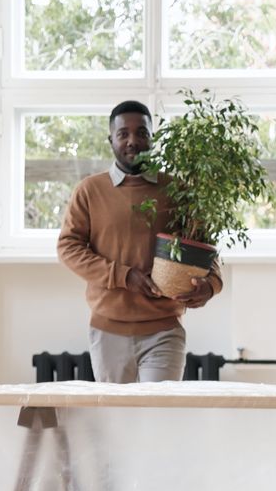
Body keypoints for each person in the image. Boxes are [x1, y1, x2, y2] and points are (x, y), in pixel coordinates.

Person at [56, 101, 219, 383]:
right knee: (117, 422)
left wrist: (212, 285)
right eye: (123, 134)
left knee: (157, 418)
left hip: (164, 329)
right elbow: (68, 247)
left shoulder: (177, 190)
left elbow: (206, 249)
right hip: (107, 330)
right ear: (111, 140)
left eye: (142, 133)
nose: (133, 141)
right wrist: (123, 276)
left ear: (152, 138)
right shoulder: (90, 191)